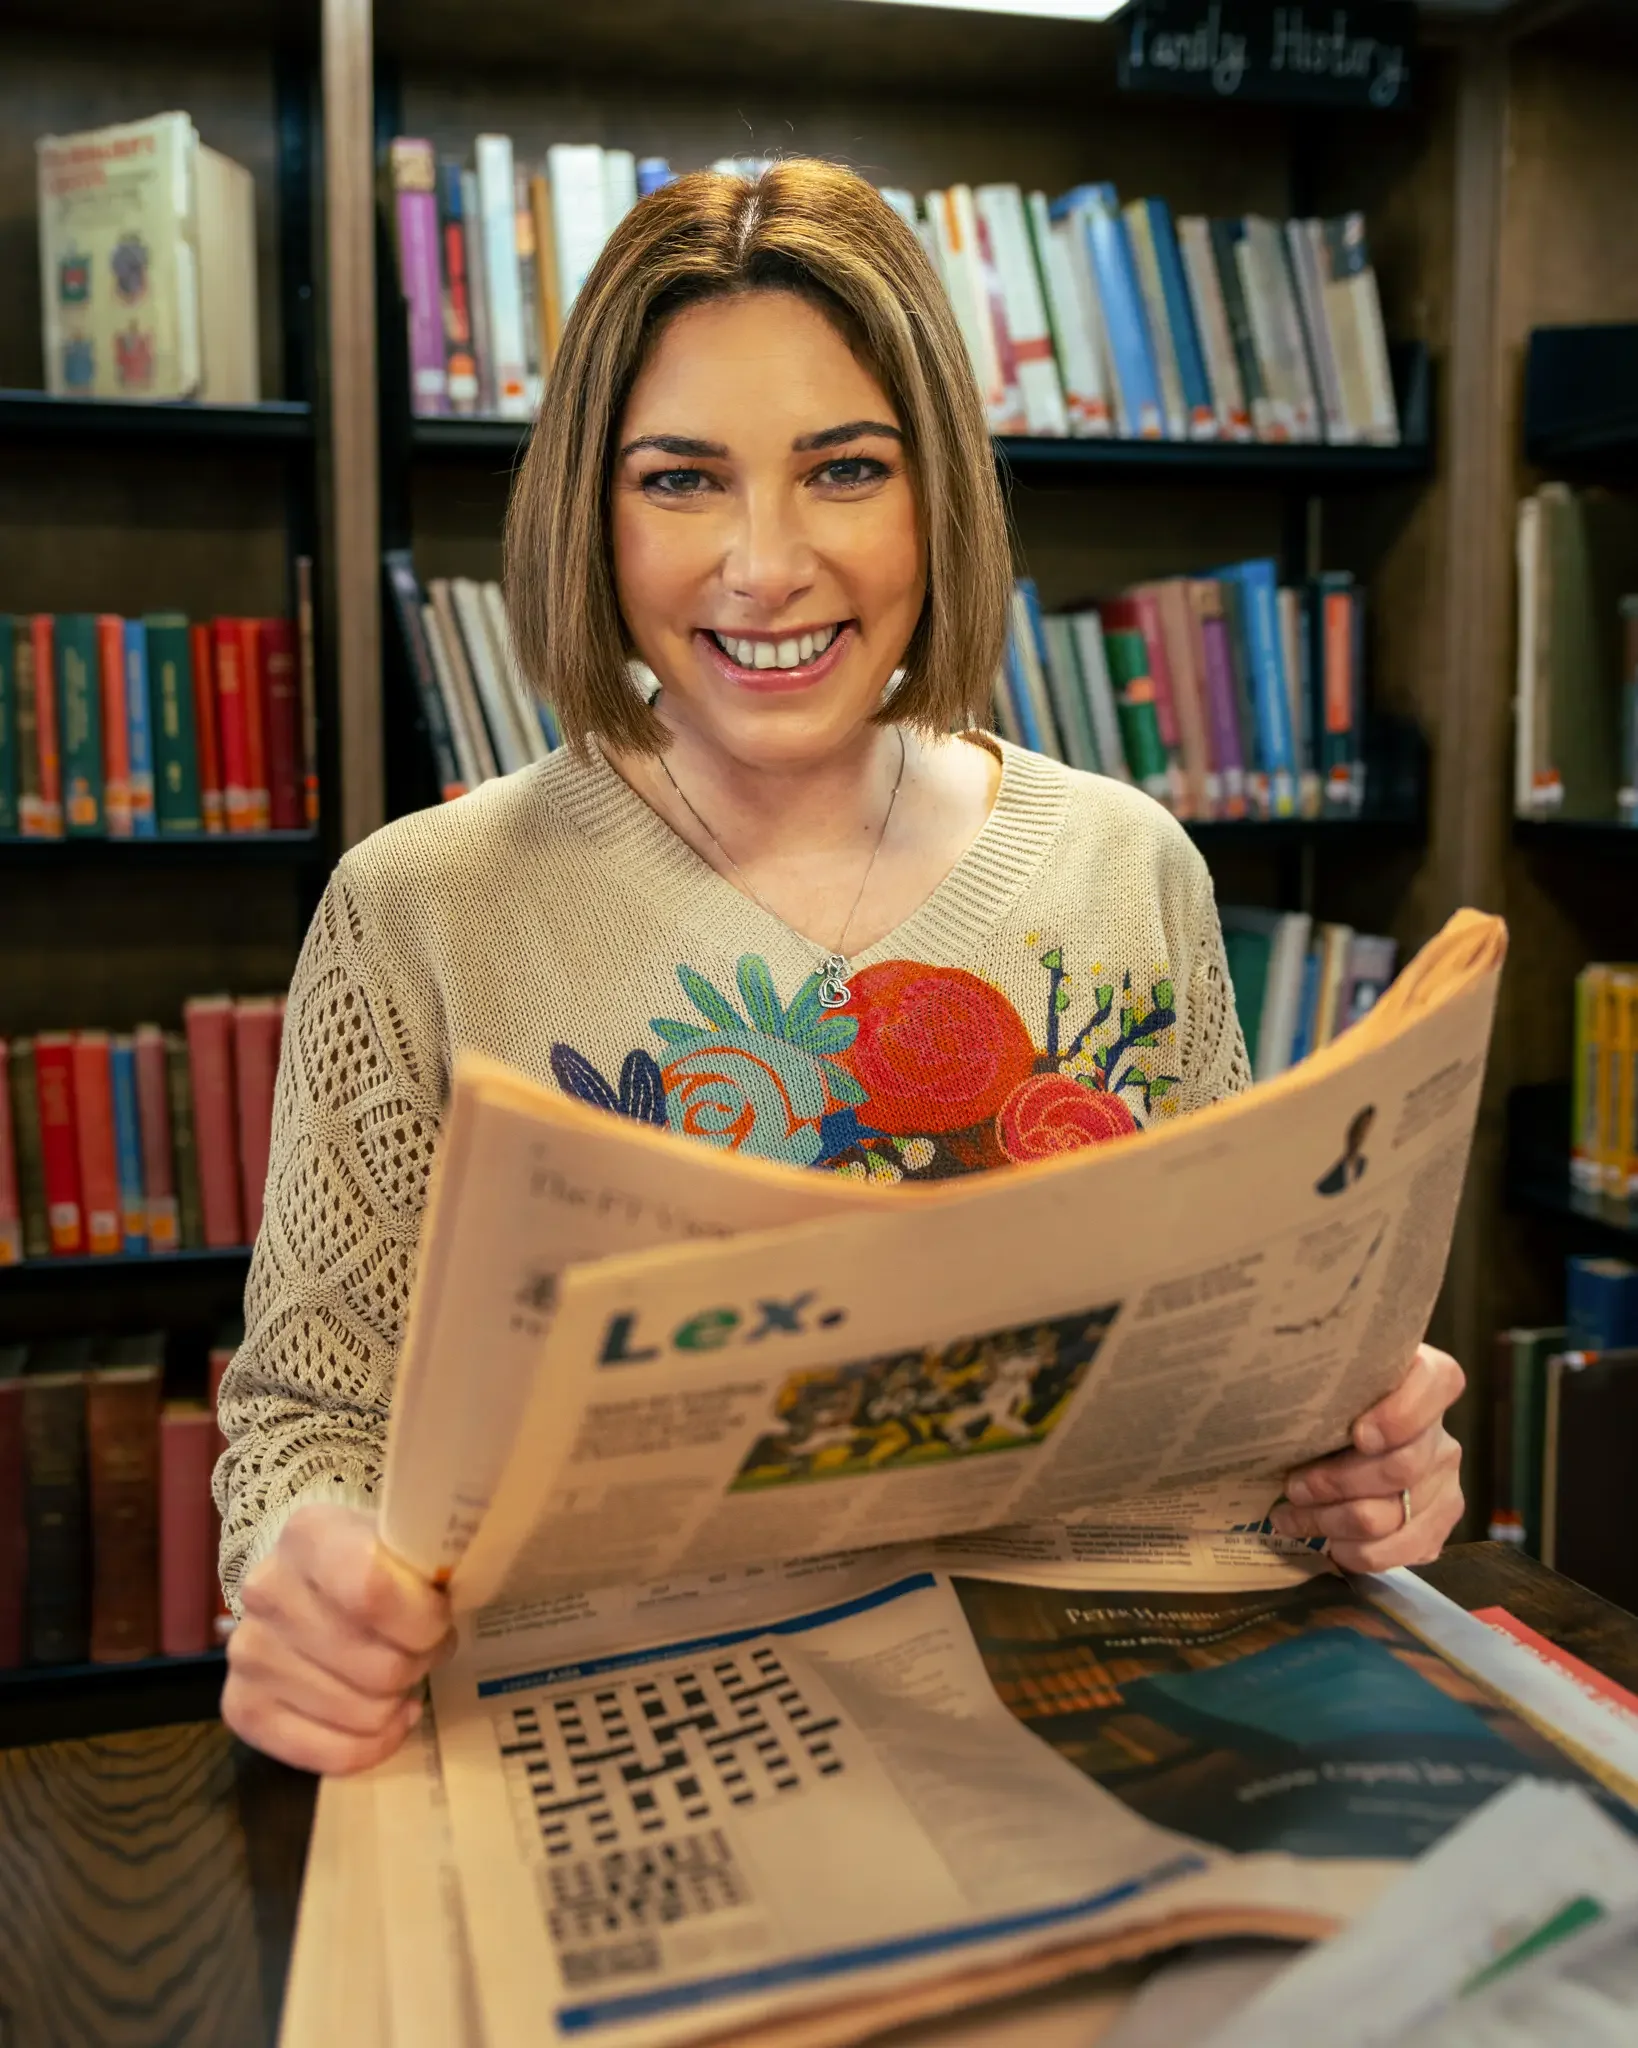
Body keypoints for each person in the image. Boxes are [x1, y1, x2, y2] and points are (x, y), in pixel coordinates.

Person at [216, 160, 1465, 1776]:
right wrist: (301, 1569)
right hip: (632, 1751)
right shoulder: (420, 910)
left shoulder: (1124, 865)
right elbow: (307, 1421)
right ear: (588, 513)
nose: (764, 564)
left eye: (843, 470)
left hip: (1091, 1742)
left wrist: (1354, 1463)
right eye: (680, 480)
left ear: (932, 492)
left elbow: (1220, 1409)